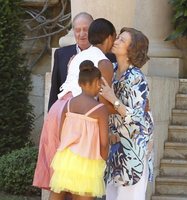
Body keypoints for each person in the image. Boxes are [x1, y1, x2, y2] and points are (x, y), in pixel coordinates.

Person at [33, 18, 116, 194]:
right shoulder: (104, 62)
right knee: (81, 183)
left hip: (60, 111)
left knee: (62, 183)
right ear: (110, 37)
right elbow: (104, 103)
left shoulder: (79, 56)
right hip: (80, 116)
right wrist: (124, 111)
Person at [99, 27, 154, 200]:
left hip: (133, 147)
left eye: (122, 40)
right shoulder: (112, 70)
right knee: (111, 195)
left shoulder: (137, 78)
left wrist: (113, 98)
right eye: (118, 38)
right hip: (115, 146)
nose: (116, 41)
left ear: (131, 50)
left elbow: (138, 117)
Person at [48, 60, 109, 200]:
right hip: (89, 161)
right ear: (98, 83)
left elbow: (61, 134)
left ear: (79, 83)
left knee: (57, 194)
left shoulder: (67, 105)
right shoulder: (100, 109)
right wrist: (102, 160)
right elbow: (104, 143)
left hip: (66, 158)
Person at [48, 12, 93, 110]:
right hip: (66, 112)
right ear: (73, 31)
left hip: (93, 113)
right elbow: (55, 88)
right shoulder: (61, 54)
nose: (82, 34)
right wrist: (51, 115)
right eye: (77, 30)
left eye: (86, 29)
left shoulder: (105, 56)